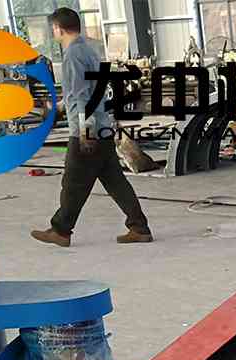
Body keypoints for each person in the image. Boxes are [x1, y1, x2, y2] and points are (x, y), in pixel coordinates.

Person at [31, 7, 152, 247]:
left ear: (58, 28)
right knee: (116, 182)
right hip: (102, 126)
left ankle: (61, 230)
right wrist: (59, 107)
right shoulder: (89, 51)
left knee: (73, 183)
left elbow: (81, 96)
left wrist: (85, 131)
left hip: (88, 130)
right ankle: (139, 228)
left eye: (53, 29)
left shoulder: (72, 55)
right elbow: (85, 92)